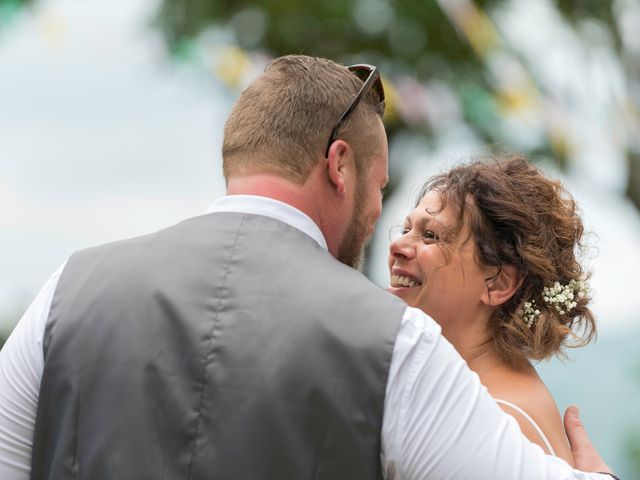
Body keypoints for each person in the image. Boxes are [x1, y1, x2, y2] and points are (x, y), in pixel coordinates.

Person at [0, 55, 617, 480]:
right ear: (339, 166)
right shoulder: (393, 344)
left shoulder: (65, 292)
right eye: (382, 191)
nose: (382, 222)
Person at [388, 157, 596, 465]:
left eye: (430, 235)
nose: (398, 246)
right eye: (406, 229)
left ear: (497, 283)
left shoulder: (498, 418)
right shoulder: (484, 392)